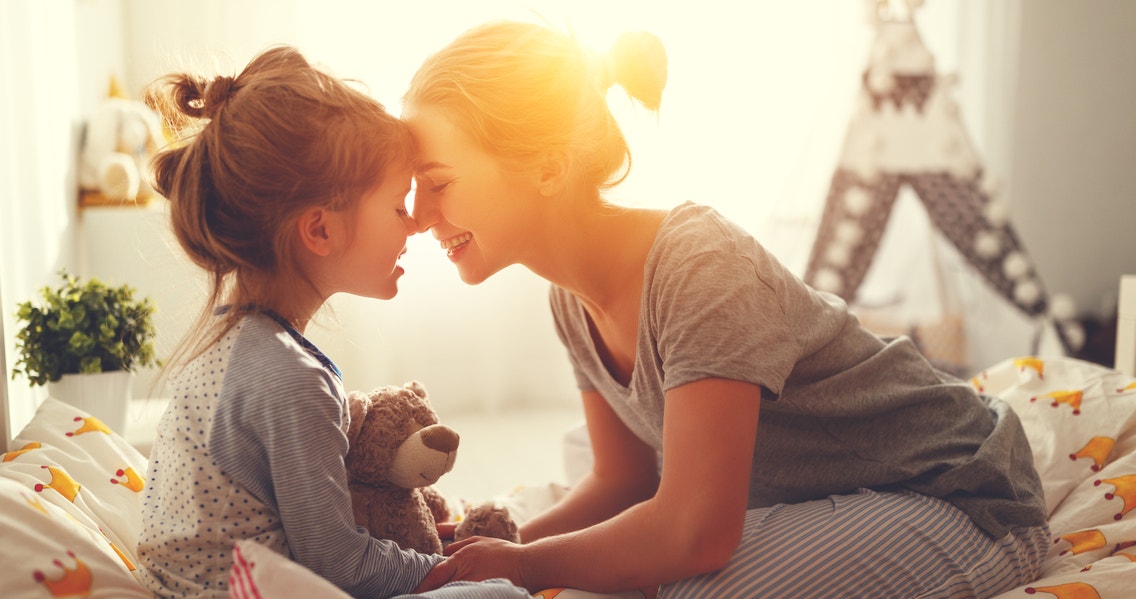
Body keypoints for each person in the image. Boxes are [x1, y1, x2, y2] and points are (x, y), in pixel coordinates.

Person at [403, 21, 1050, 598]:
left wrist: (522, 566)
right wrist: (478, 552)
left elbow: (697, 534)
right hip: (833, 493)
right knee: (620, 559)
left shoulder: (699, 264)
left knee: (685, 583)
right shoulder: (569, 297)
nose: (420, 216)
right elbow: (622, 478)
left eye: (439, 183)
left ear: (546, 166)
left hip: (959, 494)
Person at [137, 46, 529, 599]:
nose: (415, 223)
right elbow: (336, 562)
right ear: (320, 231)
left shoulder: (230, 344)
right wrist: (442, 571)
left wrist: (419, 549)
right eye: (397, 206)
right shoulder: (293, 380)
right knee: (504, 595)